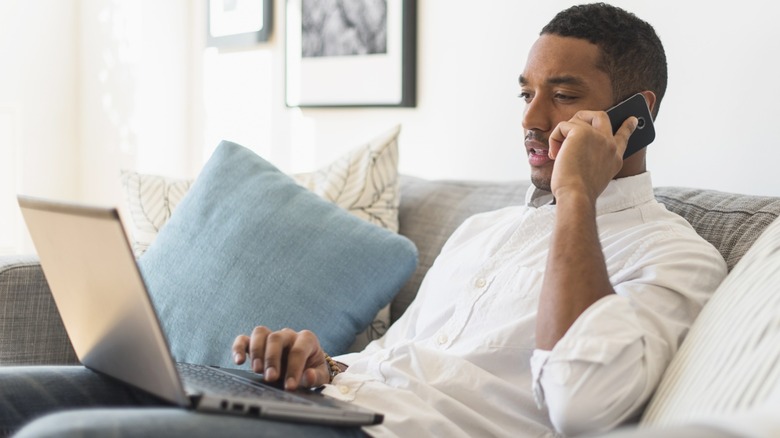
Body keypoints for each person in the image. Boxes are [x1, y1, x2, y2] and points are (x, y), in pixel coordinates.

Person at [0, 3, 727, 437]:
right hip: (319, 406)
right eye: (526, 93)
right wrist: (319, 364)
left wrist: (576, 197)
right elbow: (400, 357)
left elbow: (578, 403)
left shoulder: (676, 257)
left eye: (563, 95)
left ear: (638, 114)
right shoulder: (487, 232)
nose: (533, 120)